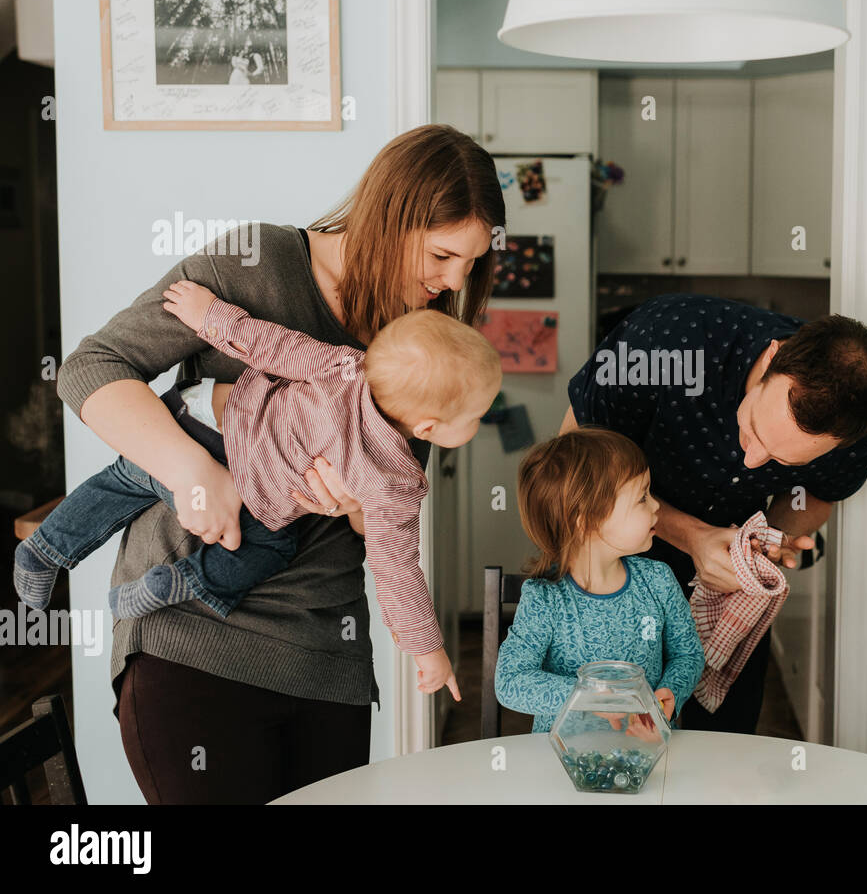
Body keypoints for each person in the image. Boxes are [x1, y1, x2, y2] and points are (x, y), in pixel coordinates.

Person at [55, 124, 504, 803]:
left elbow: (385, 515)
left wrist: (355, 506)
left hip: (328, 656)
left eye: (470, 265)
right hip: (193, 640)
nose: (452, 283)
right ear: (391, 216)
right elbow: (91, 368)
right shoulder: (259, 262)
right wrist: (194, 472)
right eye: (443, 255)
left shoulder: (425, 340)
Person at [17, 280, 501, 698]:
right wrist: (429, 651)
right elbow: (398, 574)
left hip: (202, 415)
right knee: (272, 544)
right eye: (476, 416)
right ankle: (183, 581)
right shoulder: (394, 482)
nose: (479, 422)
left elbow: (270, 343)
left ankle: (43, 551)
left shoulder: (346, 367)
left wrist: (208, 315)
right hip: (237, 474)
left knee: (124, 479)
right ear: (429, 425)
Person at [561, 294, 867, 734]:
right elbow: (570, 460)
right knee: (605, 730)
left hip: (729, 589)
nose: (754, 459)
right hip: (611, 565)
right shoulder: (665, 343)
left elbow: (817, 495)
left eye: (783, 460)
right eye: (754, 427)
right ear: (773, 356)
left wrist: (765, 543)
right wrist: (694, 537)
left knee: (724, 741)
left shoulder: (862, 430)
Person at [495, 428, 705, 734]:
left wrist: (670, 694)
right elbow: (510, 681)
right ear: (587, 520)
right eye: (642, 497)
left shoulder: (659, 580)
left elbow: (687, 654)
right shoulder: (545, 598)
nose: (657, 505)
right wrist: (590, 697)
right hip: (561, 762)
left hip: (645, 752)